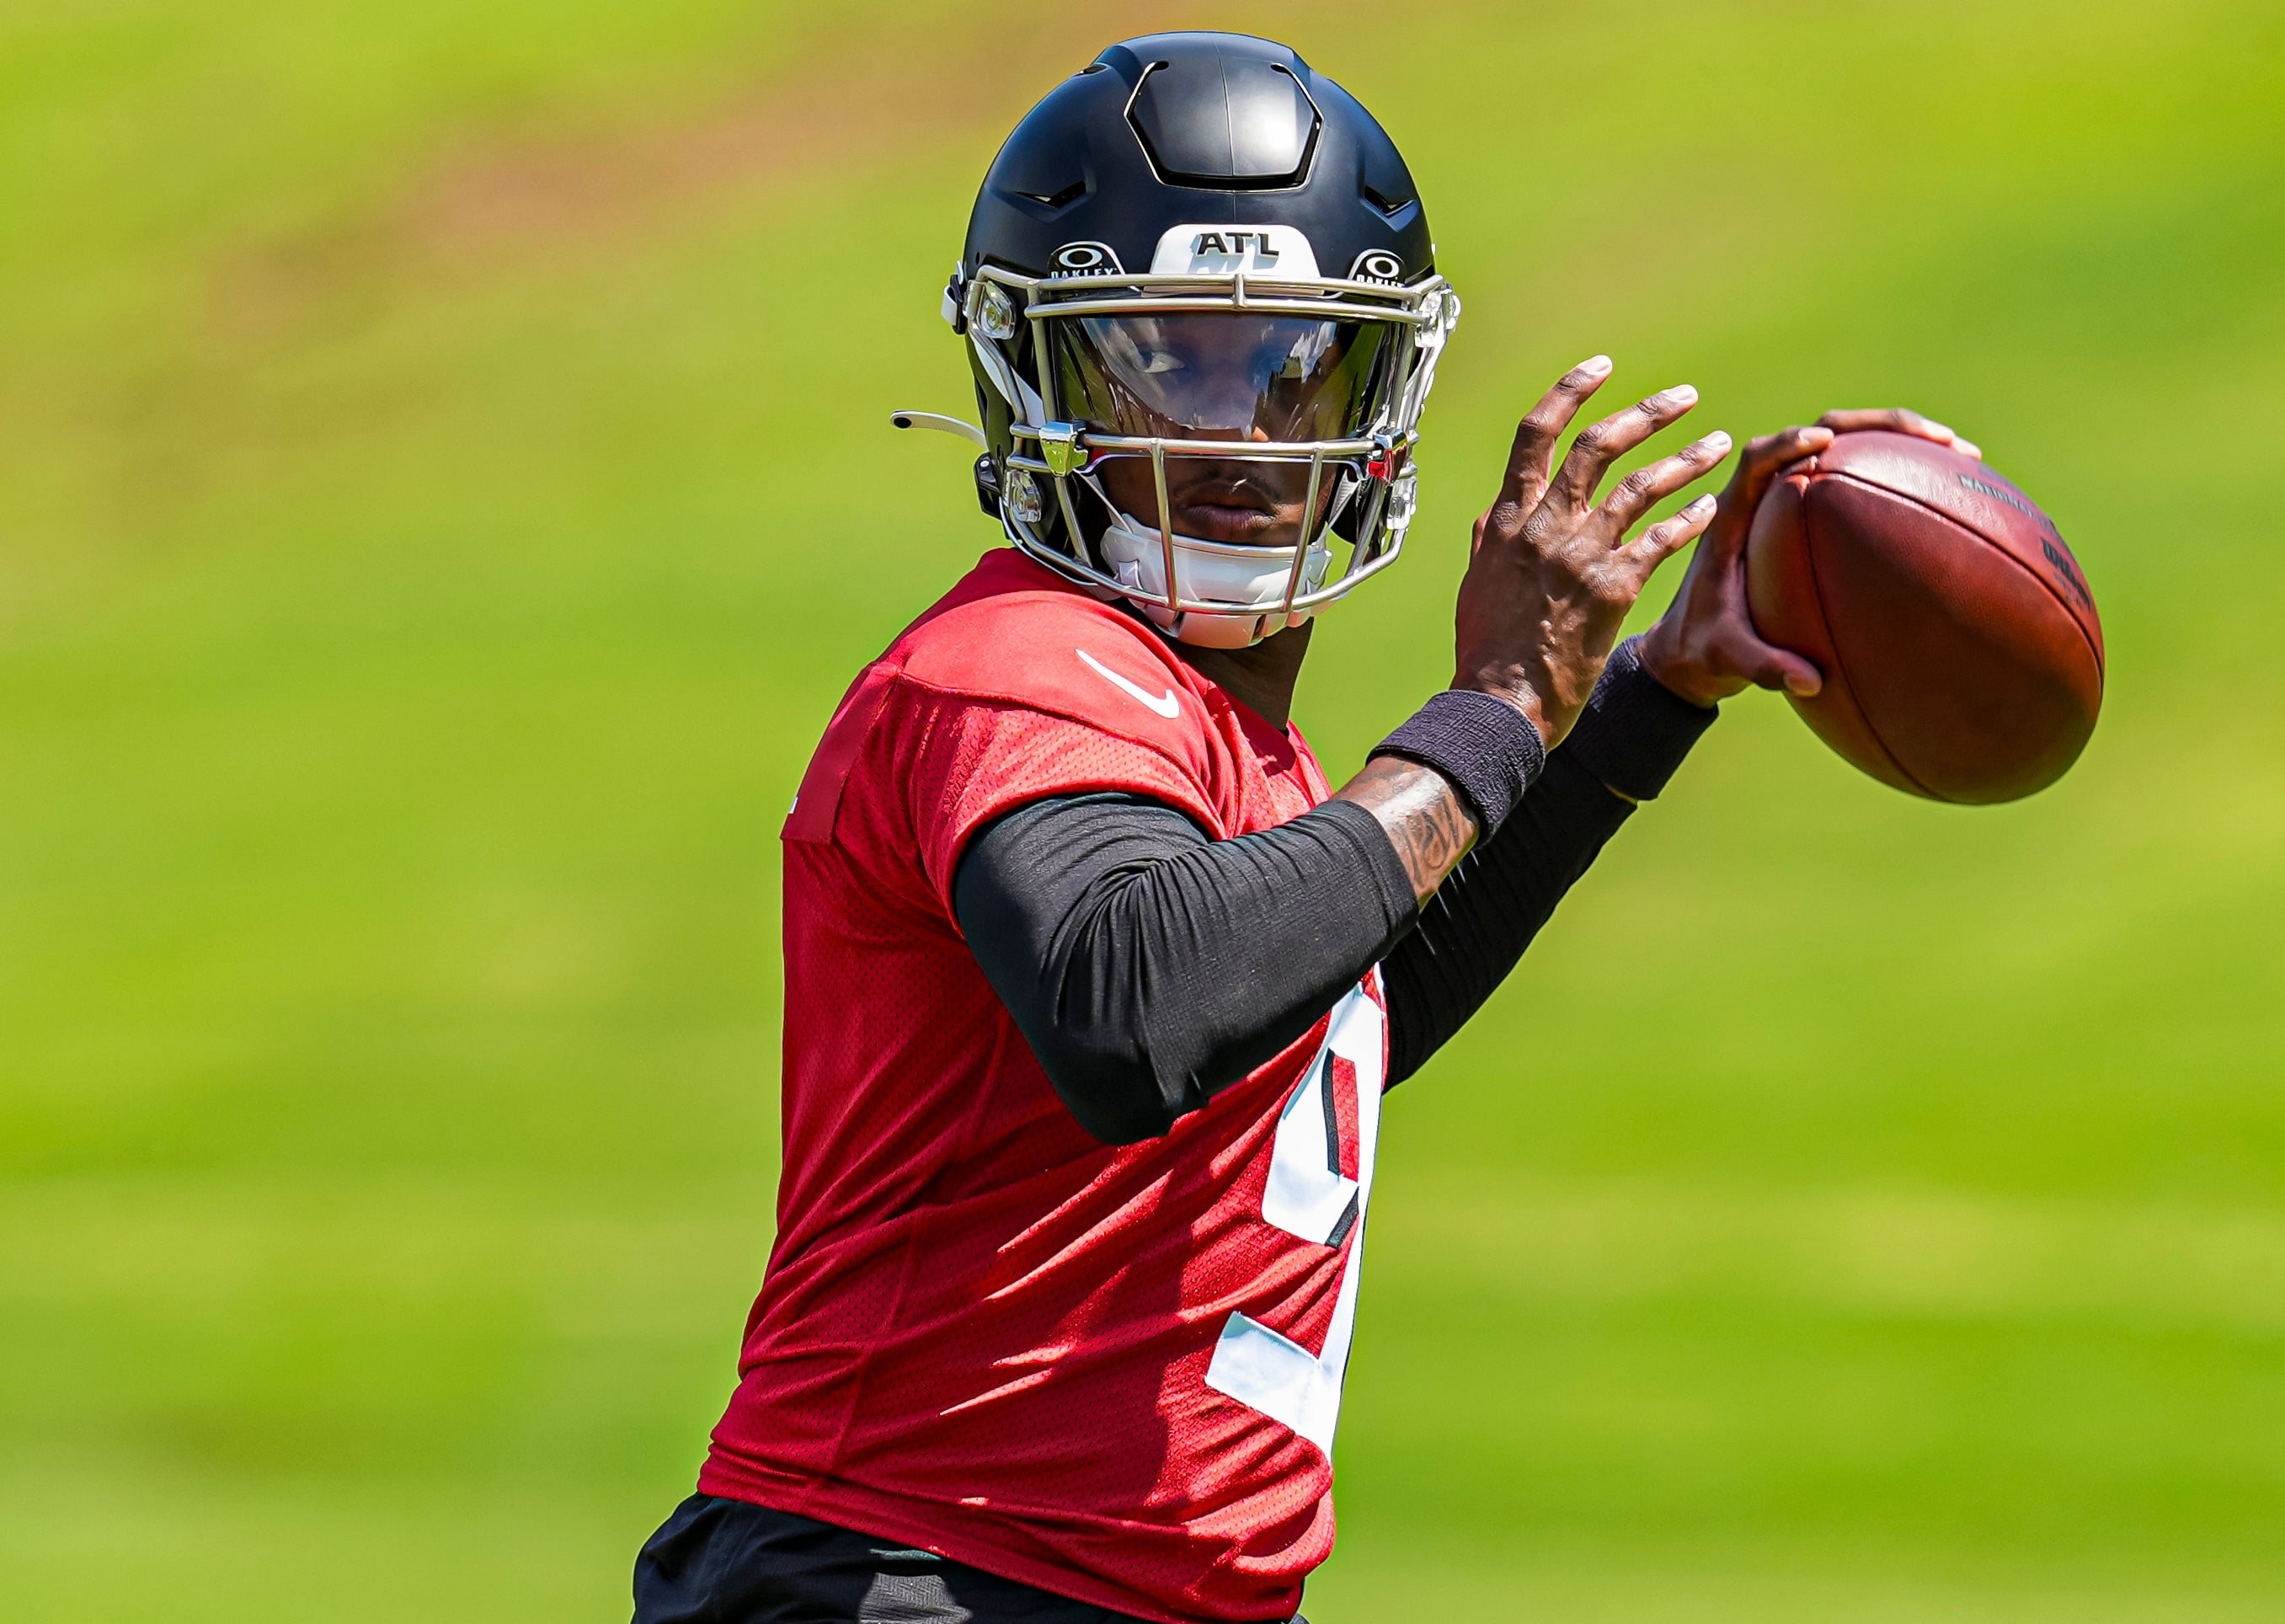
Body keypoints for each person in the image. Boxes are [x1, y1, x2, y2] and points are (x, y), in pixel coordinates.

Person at [631, 29, 1978, 1624]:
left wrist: (1645, 699)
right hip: (913, 1573)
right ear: (1035, 381)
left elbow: (1328, 1019)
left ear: (1383, 392)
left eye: (1294, 362)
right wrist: (1496, 708)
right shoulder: (1008, 667)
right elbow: (1138, 1007)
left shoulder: (1232, 750)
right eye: (1163, 357)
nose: (1243, 430)